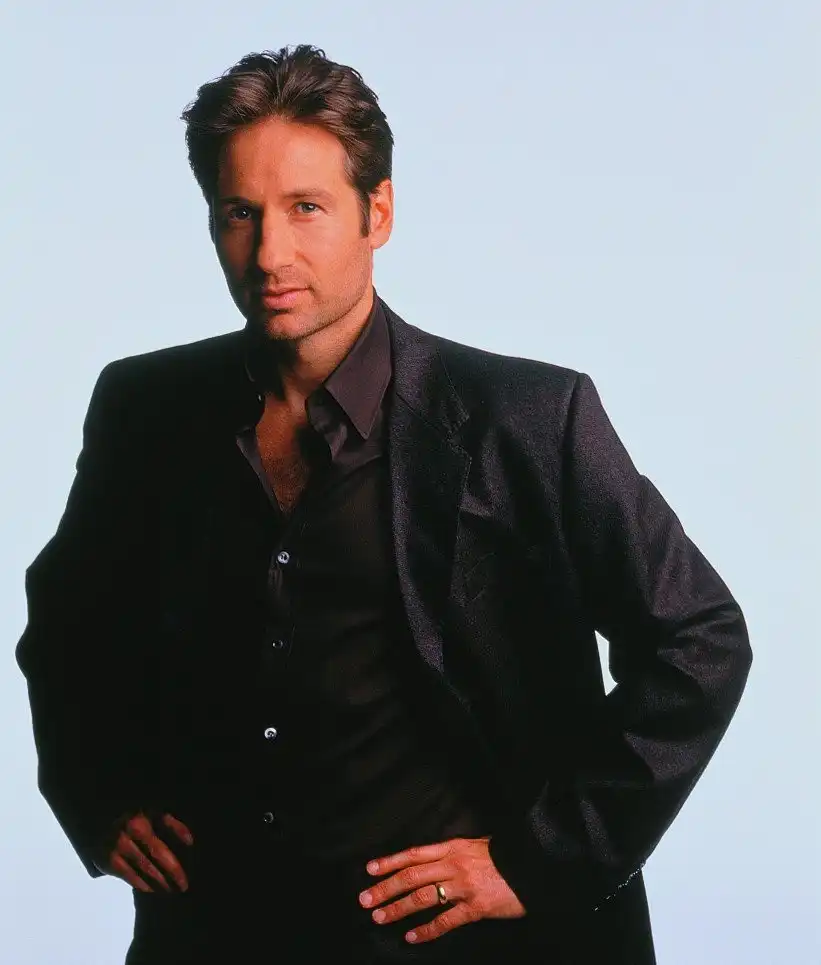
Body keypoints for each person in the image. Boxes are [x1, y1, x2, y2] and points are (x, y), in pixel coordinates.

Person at [15, 44, 752, 965]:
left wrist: (539, 857)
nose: (270, 253)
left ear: (379, 212)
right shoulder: (144, 406)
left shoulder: (526, 416)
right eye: (240, 213)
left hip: (471, 947)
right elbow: (70, 621)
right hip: (215, 934)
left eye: (306, 208)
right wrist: (96, 790)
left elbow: (698, 638)